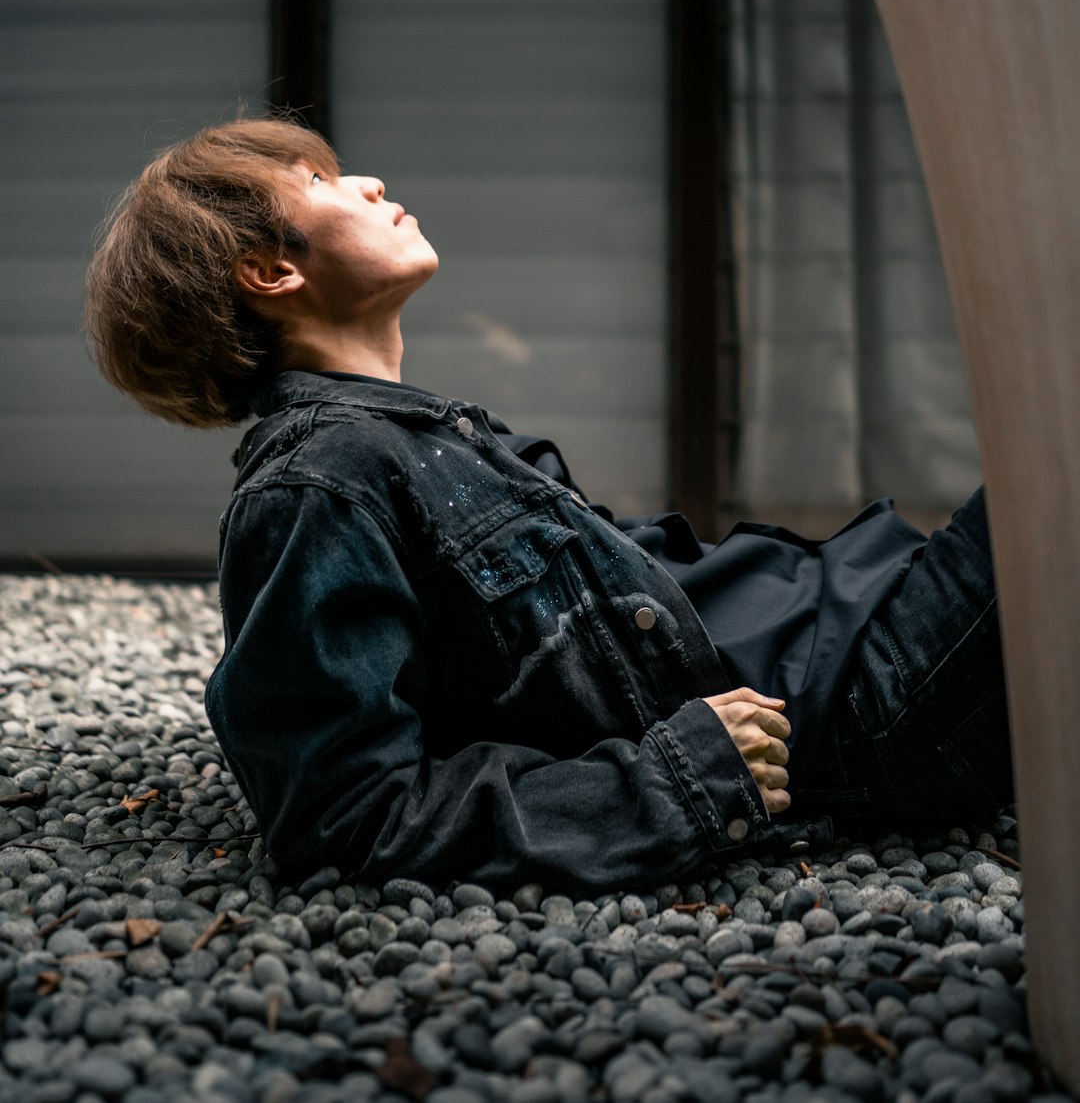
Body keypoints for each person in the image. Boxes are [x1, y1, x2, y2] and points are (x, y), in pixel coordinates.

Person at [84, 116, 1014, 892]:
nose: (367, 181)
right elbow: (343, 815)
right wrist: (672, 780)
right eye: (319, 181)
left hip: (865, 613)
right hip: (865, 702)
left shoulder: (418, 437)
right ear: (270, 272)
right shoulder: (318, 486)